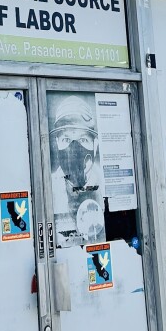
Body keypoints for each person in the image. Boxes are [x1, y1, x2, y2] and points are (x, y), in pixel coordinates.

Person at [49, 93, 105, 245]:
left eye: (83, 139)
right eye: (66, 139)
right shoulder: (49, 188)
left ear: (95, 145)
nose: (74, 149)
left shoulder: (104, 184)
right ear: (57, 143)